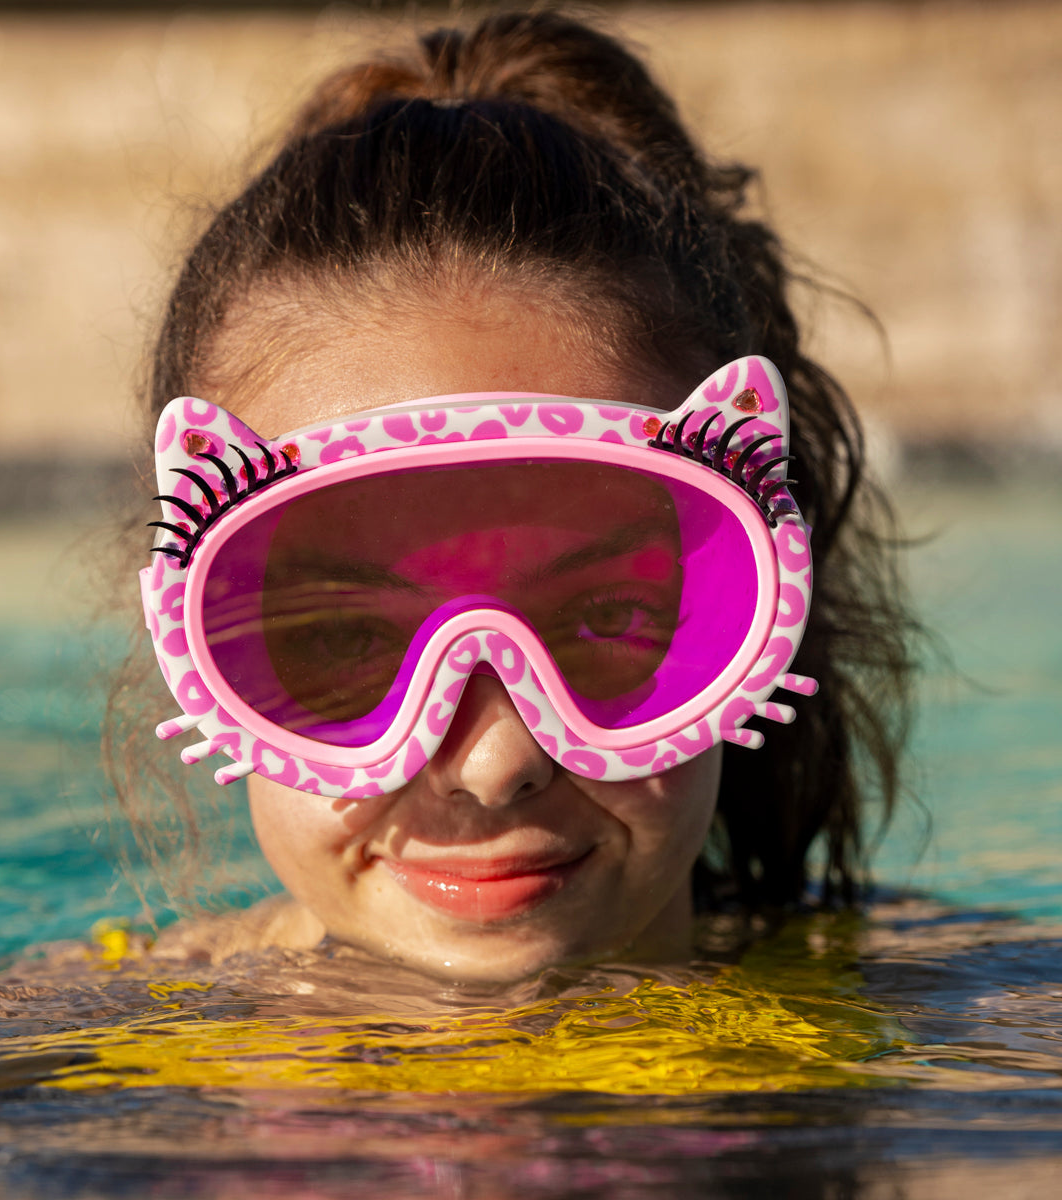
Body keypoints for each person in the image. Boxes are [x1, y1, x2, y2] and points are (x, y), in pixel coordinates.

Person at [109, 10, 915, 985]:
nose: (495, 764)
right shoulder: (12, 1062)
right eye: (338, 642)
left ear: (763, 623)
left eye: (611, 614)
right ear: (196, 659)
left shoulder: (981, 1029)